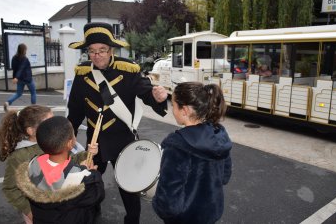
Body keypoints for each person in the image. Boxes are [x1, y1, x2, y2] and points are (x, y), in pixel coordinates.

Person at [67, 22, 168, 224]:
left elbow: (146, 92)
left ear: (111, 49)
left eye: (102, 50)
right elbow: (76, 109)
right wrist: (68, 136)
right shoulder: (82, 73)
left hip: (122, 139)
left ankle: (132, 220)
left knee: (128, 188)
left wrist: (158, 98)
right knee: (89, 183)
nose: (97, 56)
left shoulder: (128, 69)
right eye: (92, 51)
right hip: (94, 142)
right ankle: (92, 216)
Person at [152, 82, 233, 224]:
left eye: (173, 105)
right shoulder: (219, 135)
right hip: (210, 214)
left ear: (184, 110)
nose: (172, 110)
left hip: (185, 218)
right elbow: (224, 177)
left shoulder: (177, 145)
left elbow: (168, 203)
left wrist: (157, 204)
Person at [16, 116, 104, 224]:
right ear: (70, 143)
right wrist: (92, 173)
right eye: (73, 133)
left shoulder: (32, 165)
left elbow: (60, 168)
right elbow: (98, 194)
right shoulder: (84, 179)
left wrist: (84, 162)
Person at [0, 105, 54, 223]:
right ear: (31, 131)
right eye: (49, 124)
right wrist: (29, 211)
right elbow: (10, 188)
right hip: (36, 209)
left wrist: (83, 156)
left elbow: (69, 158)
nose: (55, 127)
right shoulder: (19, 156)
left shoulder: (51, 142)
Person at [4, 43, 37, 112]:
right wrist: (16, 77)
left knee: (18, 93)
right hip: (27, 79)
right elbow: (21, 69)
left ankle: (8, 102)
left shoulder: (14, 58)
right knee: (33, 92)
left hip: (19, 79)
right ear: (23, 50)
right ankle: (33, 107)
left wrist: (15, 77)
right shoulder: (24, 59)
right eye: (25, 49)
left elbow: (14, 69)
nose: (26, 51)